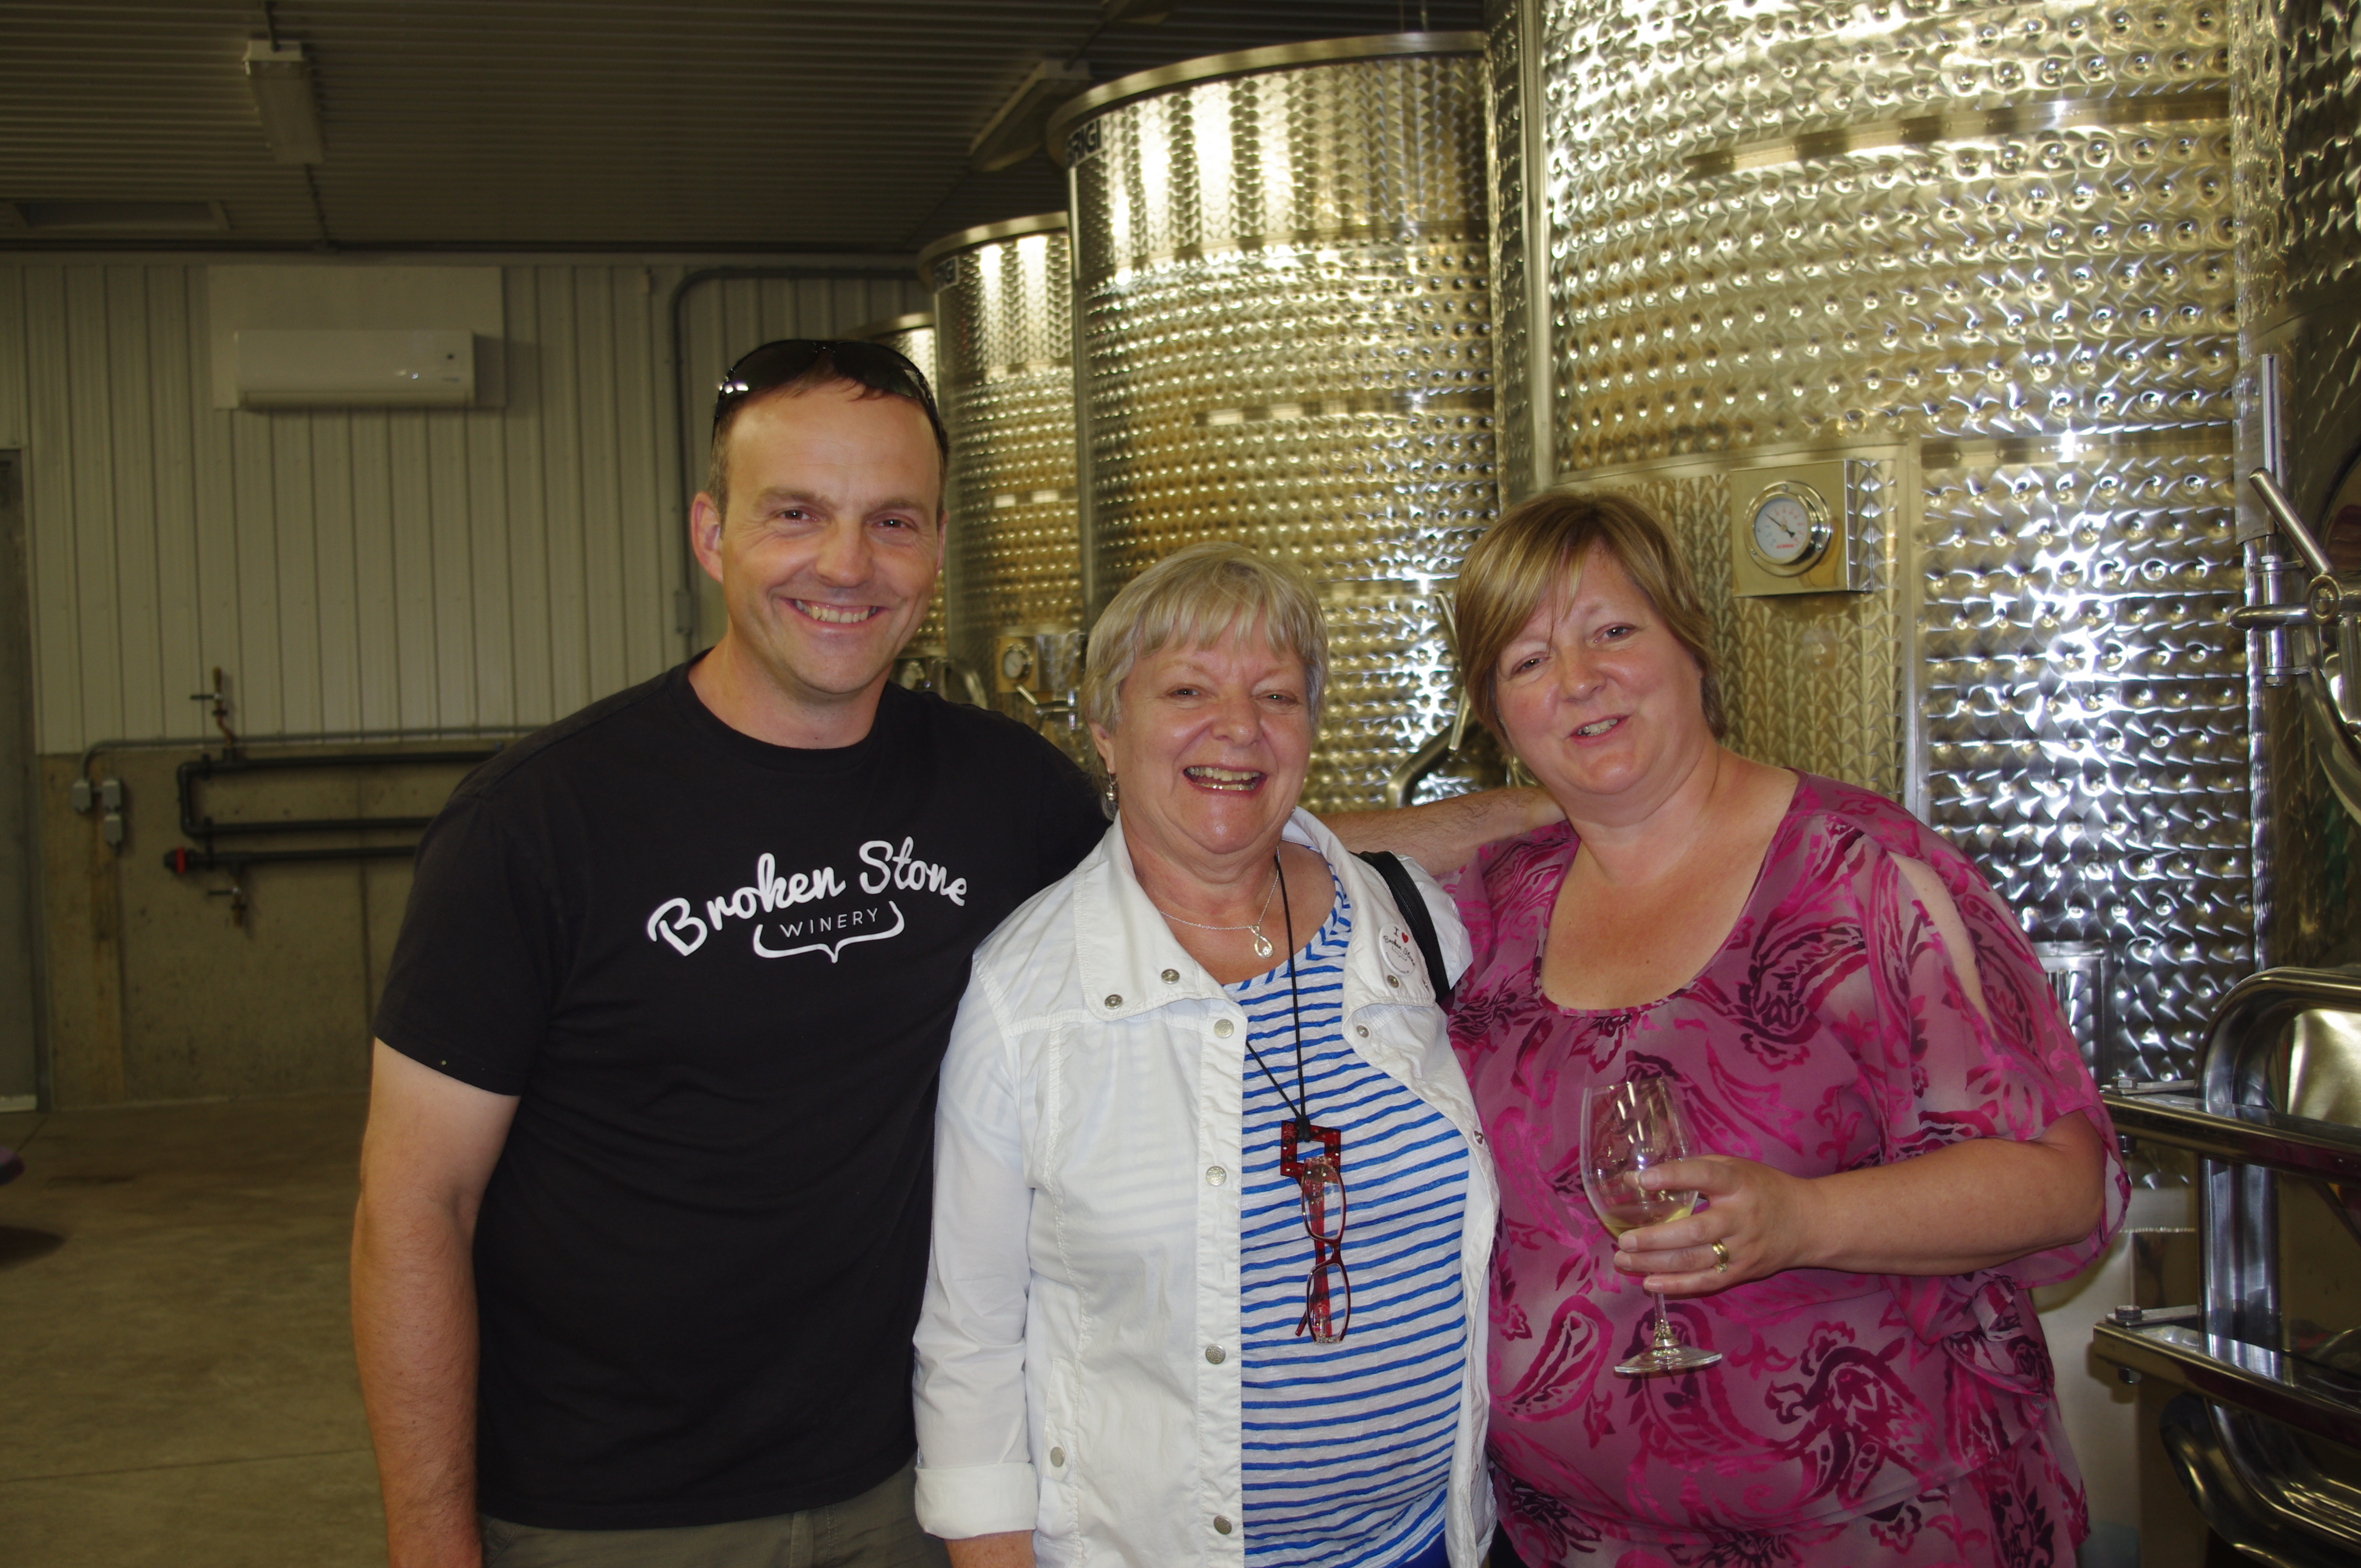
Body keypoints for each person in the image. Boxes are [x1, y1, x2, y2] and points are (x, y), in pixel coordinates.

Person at [350, 341, 1546, 1568]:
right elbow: (413, 1205)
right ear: (710, 534)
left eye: (893, 520)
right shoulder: (538, 824)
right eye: (797, 514)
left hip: (896, 1484)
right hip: (614, 1506)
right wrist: (429, 1542)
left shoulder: (992, 786)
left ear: (933, 552)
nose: (846, 563)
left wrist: (1514, 822)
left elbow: (1200, 830)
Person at [1443, 492, 2126, 1568]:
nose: (1576, 680)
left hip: (1879, 1527)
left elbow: (2060, 1181)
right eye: (1526, 661)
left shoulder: (1858, 875)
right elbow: (1244, 858)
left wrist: (1800, 1218)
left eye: (1612, 631)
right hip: (1570, 1538)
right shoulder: (1488, 909)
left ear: (1690, 644)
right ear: (1491, 709)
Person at [913, 542, 1500, 1568]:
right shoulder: (1026, 995)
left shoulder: (1410, 925)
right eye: (1187, 689)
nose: (1239, 729)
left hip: (1431, 1544)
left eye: (1276, 695)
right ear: (1105, 727)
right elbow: (970, 1344)